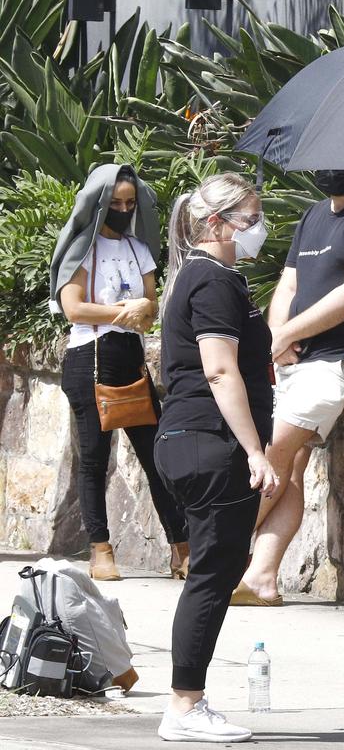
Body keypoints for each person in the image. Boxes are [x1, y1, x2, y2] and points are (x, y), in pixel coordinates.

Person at [231, 170, 344, 606]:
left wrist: (284, 334)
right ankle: (262, 577)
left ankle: (215, 555)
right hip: (297, 358)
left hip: (341, 359)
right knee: (288, 467)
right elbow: (289, 283)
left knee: (272, 454)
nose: (324, 169)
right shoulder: (313, 215)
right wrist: (278, 337)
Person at [154, 173, 278, 743]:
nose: (257, 229)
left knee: (216, 568)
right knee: (212, 572)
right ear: (215, 222)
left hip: (191, 439)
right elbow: (218, 368)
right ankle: (185, 704)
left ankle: (187, 700)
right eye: (249, 218)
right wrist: (255, 449)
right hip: (211, 443)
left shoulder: (205, 278)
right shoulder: (212, 281)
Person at [49, 163, 188, 582]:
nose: (124, 209)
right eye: (115, 203)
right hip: (89, 357)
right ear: (98, 203)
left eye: (130, 203)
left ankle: (180, 547)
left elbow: (149, 308)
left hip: (130, 357)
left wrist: (138, 312)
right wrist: (126, 311)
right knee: (93, 458)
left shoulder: (136, 250)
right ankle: (100, 548)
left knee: (157, 456)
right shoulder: (82, 249)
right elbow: (74, 308)